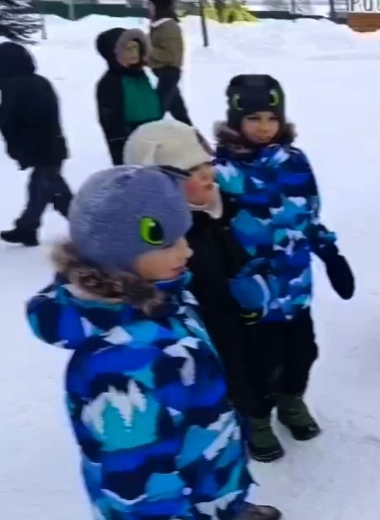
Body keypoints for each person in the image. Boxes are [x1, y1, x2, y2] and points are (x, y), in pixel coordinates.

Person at [26, 165, 281, 520]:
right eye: (167, 243)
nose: (186, 251)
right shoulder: (120, 364)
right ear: (116, 254)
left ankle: (226, 505)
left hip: (204, 473)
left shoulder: (163, 297)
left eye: (183, 236)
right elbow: (140, 488)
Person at [123, 120, 285, 462]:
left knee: (263, 365)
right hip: (209, 329)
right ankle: (231, 432)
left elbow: (257, 250)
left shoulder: (228, 207)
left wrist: (258, 287)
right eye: (191, 171)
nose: (207, 175)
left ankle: (258, 414)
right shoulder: (162, 242)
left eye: (206, 164)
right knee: (228, 381)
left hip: (244, 318)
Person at [215, 74, 354, 452]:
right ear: (237, 120)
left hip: (295, 288)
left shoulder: (294, 162)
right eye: (254, 118)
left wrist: (330, 254)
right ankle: (258, 416)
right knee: (261, 362)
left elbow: (308, 216)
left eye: (271, 118)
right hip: (254, 295)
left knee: (303, 353)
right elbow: (213, 236)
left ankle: (291, 401)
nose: (264, 127)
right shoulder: (223, 173)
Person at [0, 42, 72, 247]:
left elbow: (9, 118)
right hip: (52, 143)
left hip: (39, 147)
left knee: (53, 190)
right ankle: (27, 228)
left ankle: (88, 224)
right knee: (40, 187)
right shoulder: (40, 81)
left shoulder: (12, 85)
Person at [95, 27, 163, 164]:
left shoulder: (141, 76)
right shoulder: (110, 82)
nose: (133, 53)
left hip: (157, 145)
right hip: (134, 152)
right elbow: (113, 127)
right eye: (127, 49)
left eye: (135, 47)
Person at [148, 0, 193, 125]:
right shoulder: (159, 26)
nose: (149, 8)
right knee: (180, 115)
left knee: (155, 112)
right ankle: (192, 135)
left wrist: (148, 50)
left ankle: (145, 135)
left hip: (169, 73)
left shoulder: (169, 27)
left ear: (159, 7)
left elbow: (171, 54)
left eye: (152, 5)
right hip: (164, 73)